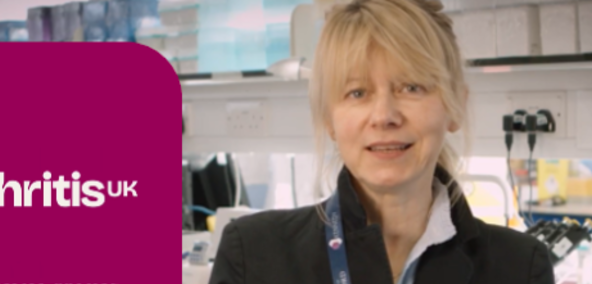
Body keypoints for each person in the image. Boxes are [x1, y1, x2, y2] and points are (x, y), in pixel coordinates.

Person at [208, 0, 554, 283]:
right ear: (330, 119)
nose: (384, 115)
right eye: (357, 92)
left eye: (411, 87)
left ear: (454, 108)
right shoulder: (252, 257)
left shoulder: (520, 267)